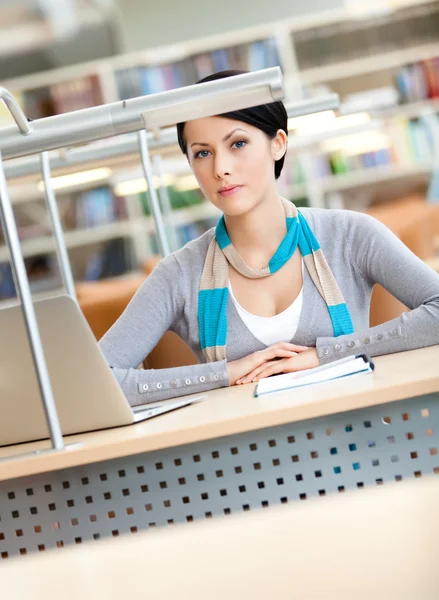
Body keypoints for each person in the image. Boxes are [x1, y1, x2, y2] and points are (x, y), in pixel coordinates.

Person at [99, 70, 439, 406]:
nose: (221, 168)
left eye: (238, 143)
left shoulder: (350, 236)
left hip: (358, 447)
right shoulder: (179, 274)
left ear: (278, 144)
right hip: (241, 456)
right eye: (203, 153)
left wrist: (326, 354)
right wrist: (226, 373)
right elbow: (100, 380)